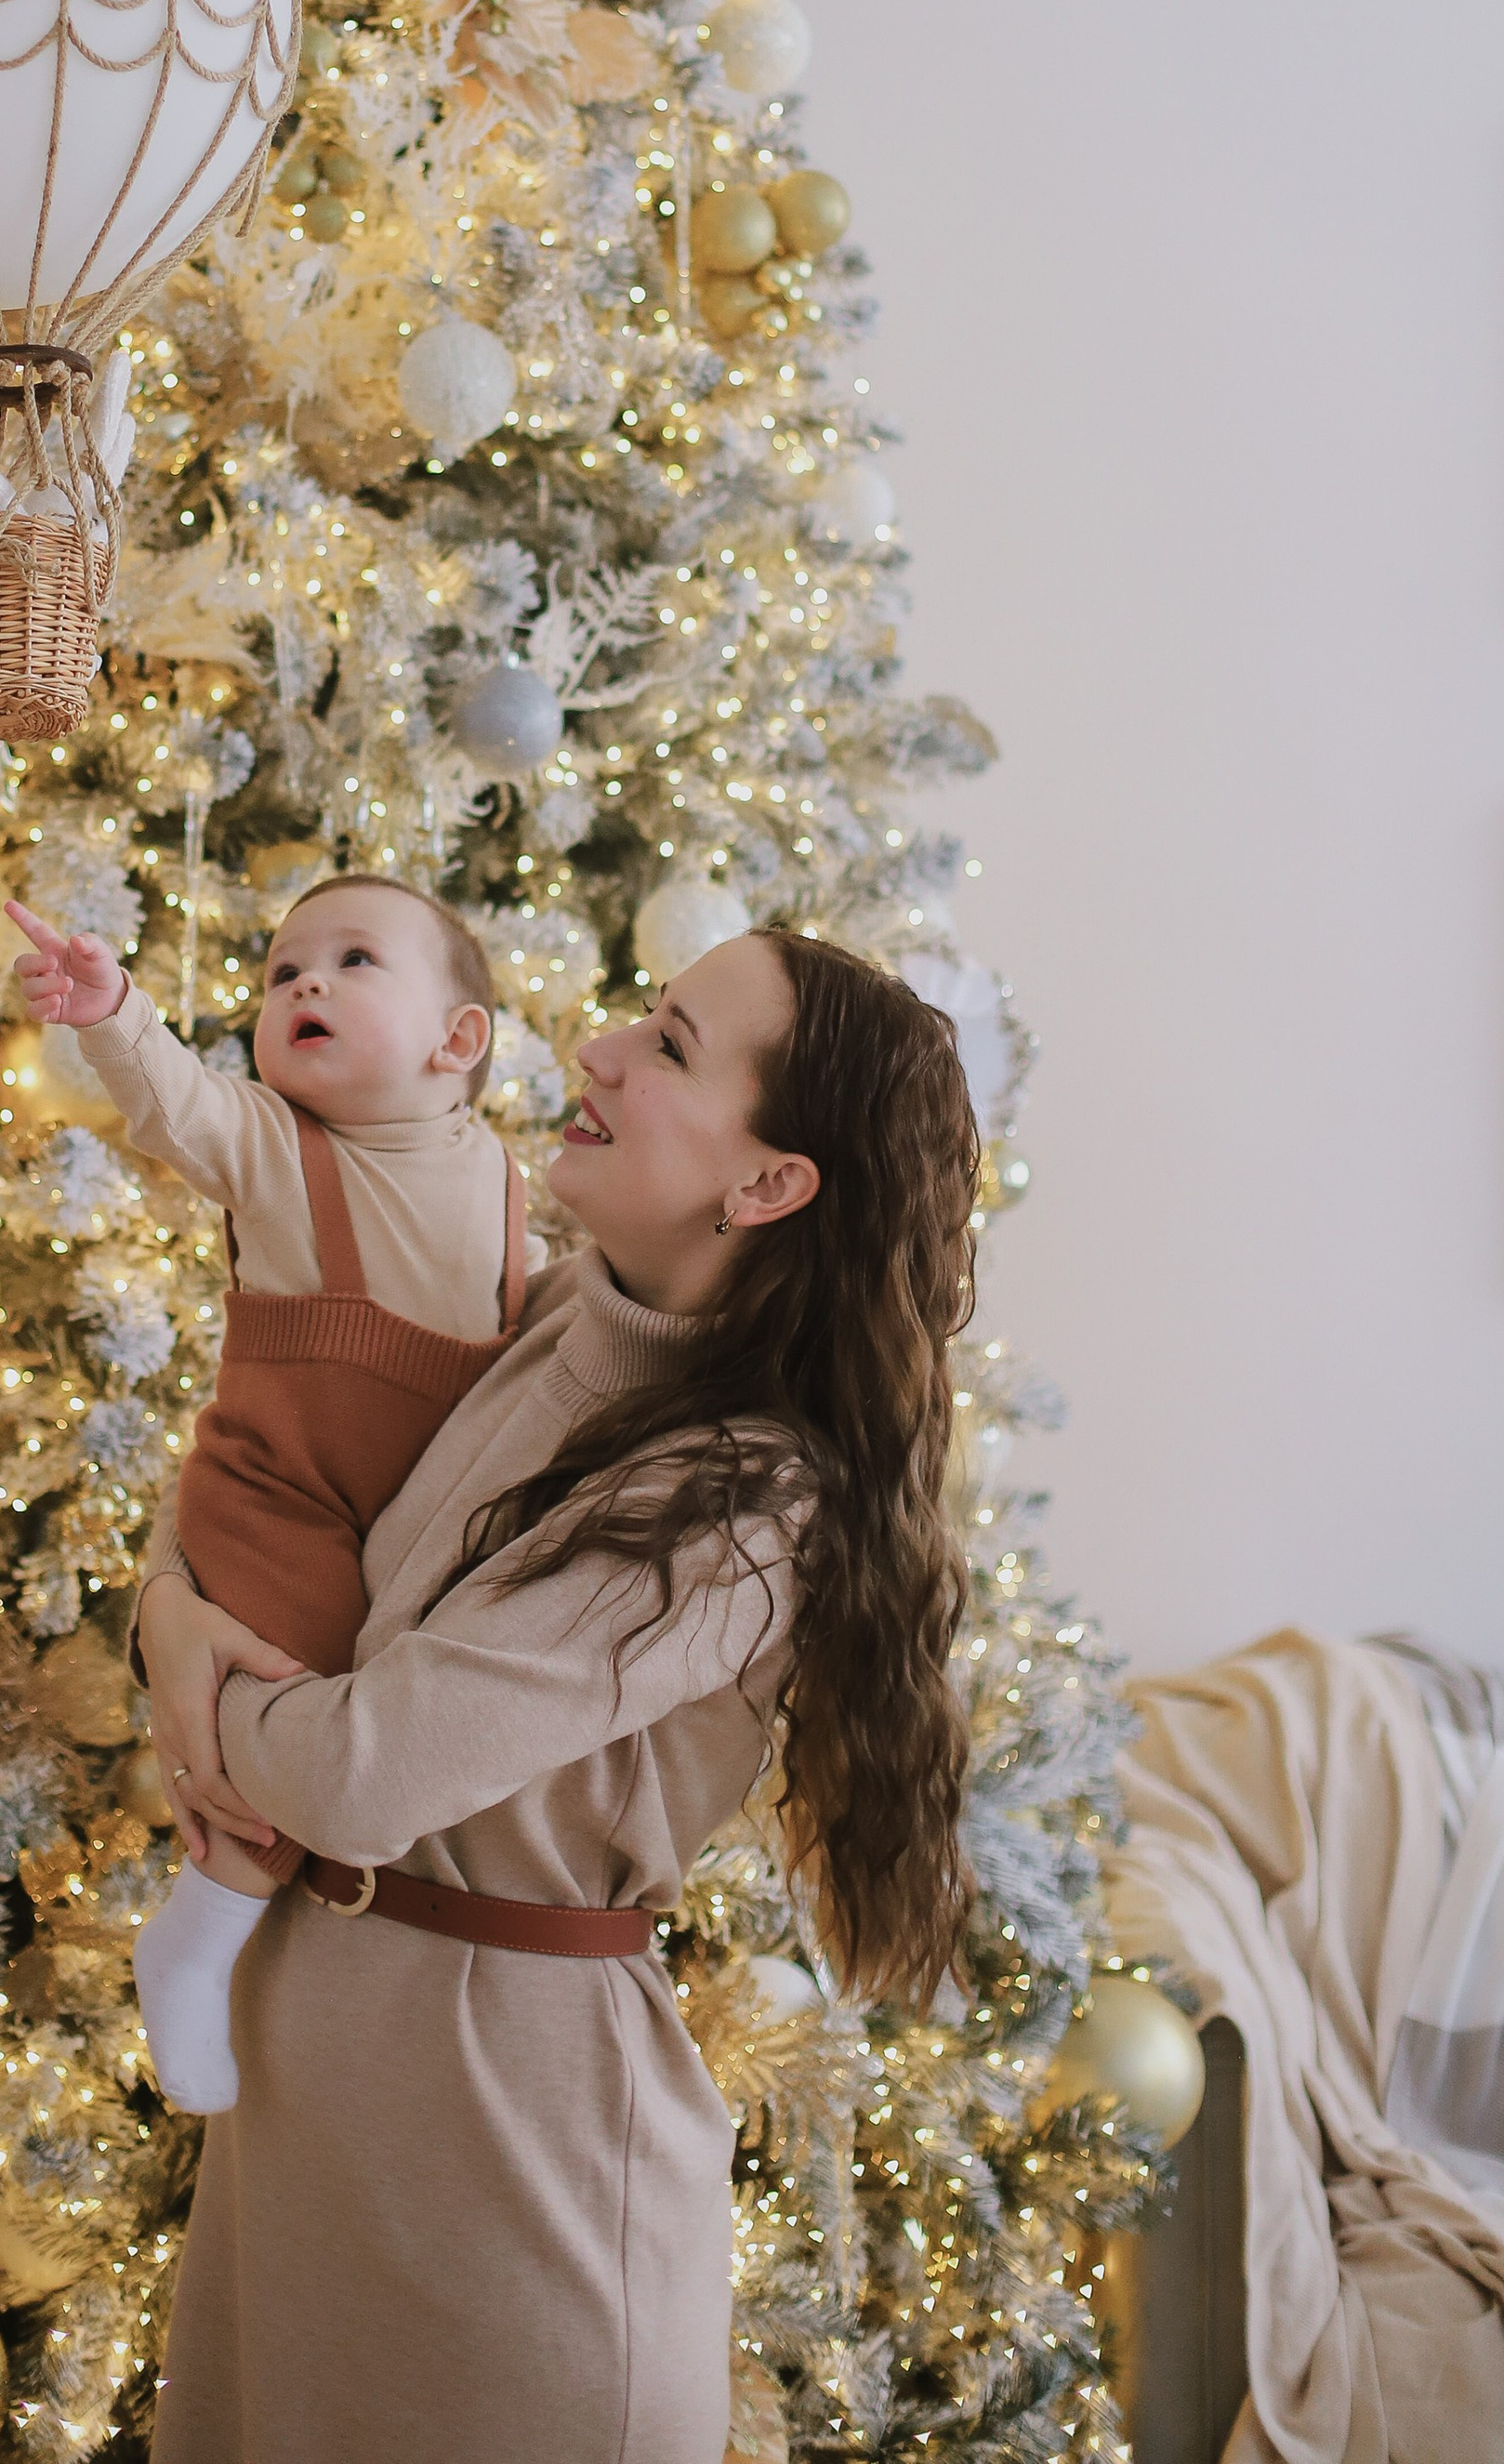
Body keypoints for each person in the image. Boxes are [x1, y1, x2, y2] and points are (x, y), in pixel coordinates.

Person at [137, 928, 980, 2464]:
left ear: (769, 1182)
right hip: (319, 2110)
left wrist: (191, 1676)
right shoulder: (530, 1322)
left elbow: (356, 1777)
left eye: (667, 1046)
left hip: (506, 2154)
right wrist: (170, 1616)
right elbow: (252, 1467)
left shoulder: (745, 1498)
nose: (595, 1050)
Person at [5, 873, 534, 2110]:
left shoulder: (506, 1184)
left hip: (412, 1513)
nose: (303, 982)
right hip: (277, 1495)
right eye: (283, 970)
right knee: (288, 1676)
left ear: (458, 1043)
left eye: (354, 962)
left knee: (407, 1691)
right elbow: (175, 1104)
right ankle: (201, 1932)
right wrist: (114, 1011)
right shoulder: (273, 1147)